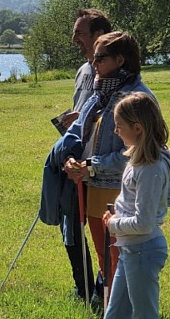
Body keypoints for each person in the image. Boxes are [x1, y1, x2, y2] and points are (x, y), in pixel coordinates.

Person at [63, 31, 155, 302]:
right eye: (94, 56)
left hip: (120, 192)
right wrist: (71, 158)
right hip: (93, 188)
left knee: (120, 263)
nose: (93, 63)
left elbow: (137, 153)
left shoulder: (138, 99)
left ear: (120, 60)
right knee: (106, 261)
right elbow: (79, 132)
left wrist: (91, 165)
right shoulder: (100, 92)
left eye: (100, 57)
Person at [103, 92, 170, 319]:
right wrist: (146, 206)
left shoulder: (150, 167)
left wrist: (113, 222)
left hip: (142, 251)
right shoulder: (144, 160)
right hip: (131, 248)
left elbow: (145, 221)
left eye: (119, 126)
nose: (115, 131)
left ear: (138, 127)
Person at [40, 9, 111, 303]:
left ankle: (103, 288)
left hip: (98, 167)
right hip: (73, 163)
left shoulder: (113, 72)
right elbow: (82, 111)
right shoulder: (84, 71)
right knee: (70, 229)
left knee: (102, 232)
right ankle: (84, 289)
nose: (74, 40)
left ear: (98, 36)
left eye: (80, 33)